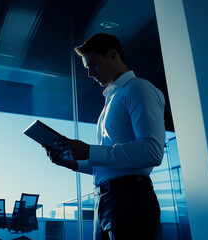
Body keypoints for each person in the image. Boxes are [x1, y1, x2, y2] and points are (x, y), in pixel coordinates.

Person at [44, 33, 166, 240]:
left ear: (112, 55)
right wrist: (72, 163)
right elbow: (113, 163)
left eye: (93, 65)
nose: (90, 73)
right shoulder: (113, 98)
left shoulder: (138, 89)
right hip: (108, 201)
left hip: (129, 199)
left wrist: (89, 151)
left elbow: (152, 152)